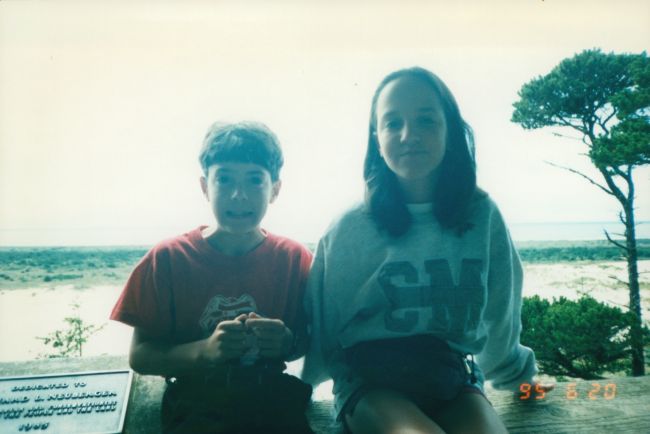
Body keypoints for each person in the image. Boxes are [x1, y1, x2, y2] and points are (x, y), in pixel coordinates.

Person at [301, 67, 552, 434]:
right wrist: (301, 392)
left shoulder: (480, 215)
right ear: (376, 137)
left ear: (450, 131)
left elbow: (499, 317)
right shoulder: (350, 227)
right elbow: (324, 329)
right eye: (392, 123)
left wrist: (520, 380)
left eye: (425, 120)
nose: (408, 136)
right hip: (371, 384)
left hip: (450, 378)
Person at [110, 121, 314, 434]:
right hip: (196, 403)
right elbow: (140, 356)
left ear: (275, 189)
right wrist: (204, 351)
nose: (238, 195)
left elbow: (307, 342)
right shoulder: (168, 258)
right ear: (205, 186)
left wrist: (286, 342)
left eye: (254, 181)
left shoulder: (294, 258)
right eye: (224, 179)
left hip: (273, 400)